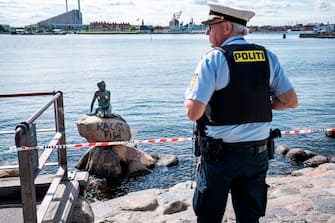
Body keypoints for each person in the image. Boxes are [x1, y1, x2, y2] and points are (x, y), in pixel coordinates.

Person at [184, 2, 298, 223]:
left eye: (211, 26)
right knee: (249, 216)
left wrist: (192, 98)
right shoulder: (268, 57)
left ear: (226, 28)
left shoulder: (214, 59)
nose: (207, 32)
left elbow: (193, 112)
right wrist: (261, 103)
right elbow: (290, 101)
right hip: (257, 154)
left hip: (220, 158)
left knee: (208, 216)